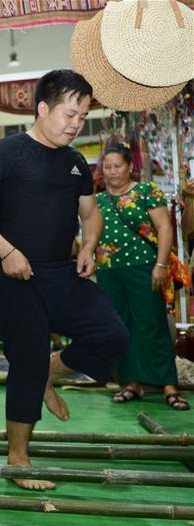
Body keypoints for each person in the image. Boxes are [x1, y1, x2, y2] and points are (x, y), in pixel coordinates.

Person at [0, 70, 129, 491]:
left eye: (83, 116)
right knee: (27, 358)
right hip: (14, 273)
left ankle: (49, 372)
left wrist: (88, 247)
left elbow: (91, 214)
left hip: (61, 272)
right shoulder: (9, 151)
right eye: (70, 114)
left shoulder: (75, 162)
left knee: (112, 336)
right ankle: (18, 458)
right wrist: (7, 250)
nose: (75, 124)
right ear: (43, 108)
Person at [95, 143, 188, 410]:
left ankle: (169, 386)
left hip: (144, 266)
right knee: (120, 327)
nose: (112, 172)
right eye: (108, 167)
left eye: (118, 166)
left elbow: (164, 227)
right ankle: (131, 383)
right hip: (108, 270)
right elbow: (90, 235)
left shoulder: (146, 190)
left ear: (130, 167)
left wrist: (160, 264)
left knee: (153, 323)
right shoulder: (98, 200)